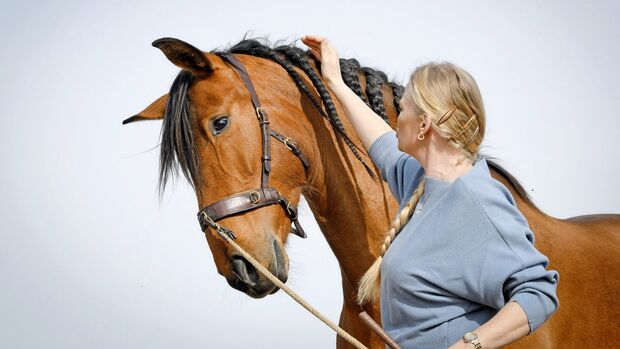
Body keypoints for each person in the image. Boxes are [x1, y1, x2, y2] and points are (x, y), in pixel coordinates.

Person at [301, 35, 559, 349]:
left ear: (424, 125)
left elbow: (538, 293)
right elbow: (380, 142)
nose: (396, 117)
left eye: (403, 107)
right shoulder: (419, 180)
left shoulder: (476, 197)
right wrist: (335, 83)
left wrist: (468, 345)